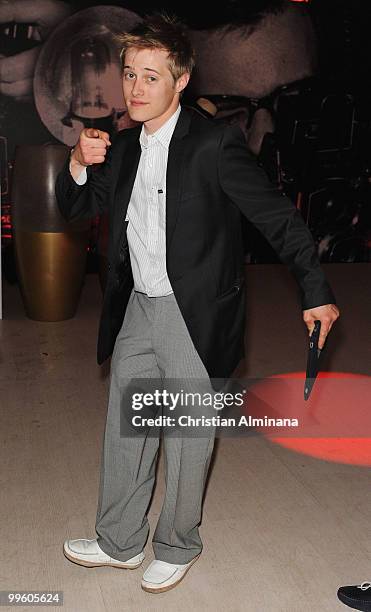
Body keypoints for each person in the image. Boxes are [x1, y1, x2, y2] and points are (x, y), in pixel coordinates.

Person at [55, 13, 339, 594]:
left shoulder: (214, 145)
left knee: (187, 433)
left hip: (195, 310)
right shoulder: (126, 146)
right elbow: (78, 209)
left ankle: (179, 544)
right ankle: (120, 541)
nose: (135, 89)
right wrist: (79, 164)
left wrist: (316, 289)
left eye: (150, 77)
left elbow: (277, 217)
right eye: (130, 74)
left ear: (181, 81)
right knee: (127, 427)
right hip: (137, 305)